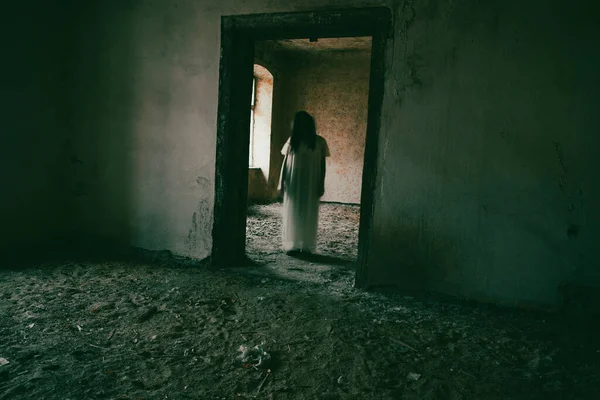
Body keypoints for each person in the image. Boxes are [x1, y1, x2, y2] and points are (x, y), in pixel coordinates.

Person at [277, 111, 330, 255]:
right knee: (293, 211)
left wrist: (321, 183)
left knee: (309, 213)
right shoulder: (292, 141)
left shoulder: (319, 142)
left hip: (311, 181)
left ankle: (305, 245)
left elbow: (322, 165)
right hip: (294, 181)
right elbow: (285, 164)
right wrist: (281, 183)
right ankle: (292, 244)